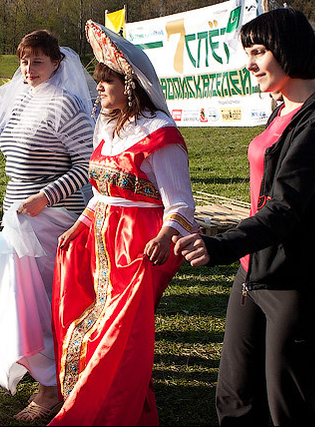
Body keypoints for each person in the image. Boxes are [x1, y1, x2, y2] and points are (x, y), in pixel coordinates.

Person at [172, 7, 315, 426]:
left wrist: (219, 243)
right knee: (235, 398)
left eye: (259, 51)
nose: (251, 63)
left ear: (288, 50)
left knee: (291, 408)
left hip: (300, 284)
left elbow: (285, 208)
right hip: (253, 273)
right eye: (248, 53)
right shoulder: (283, 110)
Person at [49, 21, 199, 425]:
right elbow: (100, 192)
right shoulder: (108, 127)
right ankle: (110, 398)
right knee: (91, 323)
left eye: (108, 81)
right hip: (100, 240)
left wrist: (168, 235)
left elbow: (182, 204)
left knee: (118, 336)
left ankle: (110, 409)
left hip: (139, 248)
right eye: (98, 80)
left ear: (130, 86)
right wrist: (78, 224)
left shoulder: (159, 135)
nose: (99, 87)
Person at [0, 29, 94, 422]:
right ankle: (44, 375)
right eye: (24, 61)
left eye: (37, 61)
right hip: (19, 220)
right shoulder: (20, 100)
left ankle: (51, 387)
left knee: (43, 307)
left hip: (54, 222)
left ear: (57, 63)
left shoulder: (67, 104)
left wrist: (46, 197)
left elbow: (87, 165)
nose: (29, 68)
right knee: (19, 302)